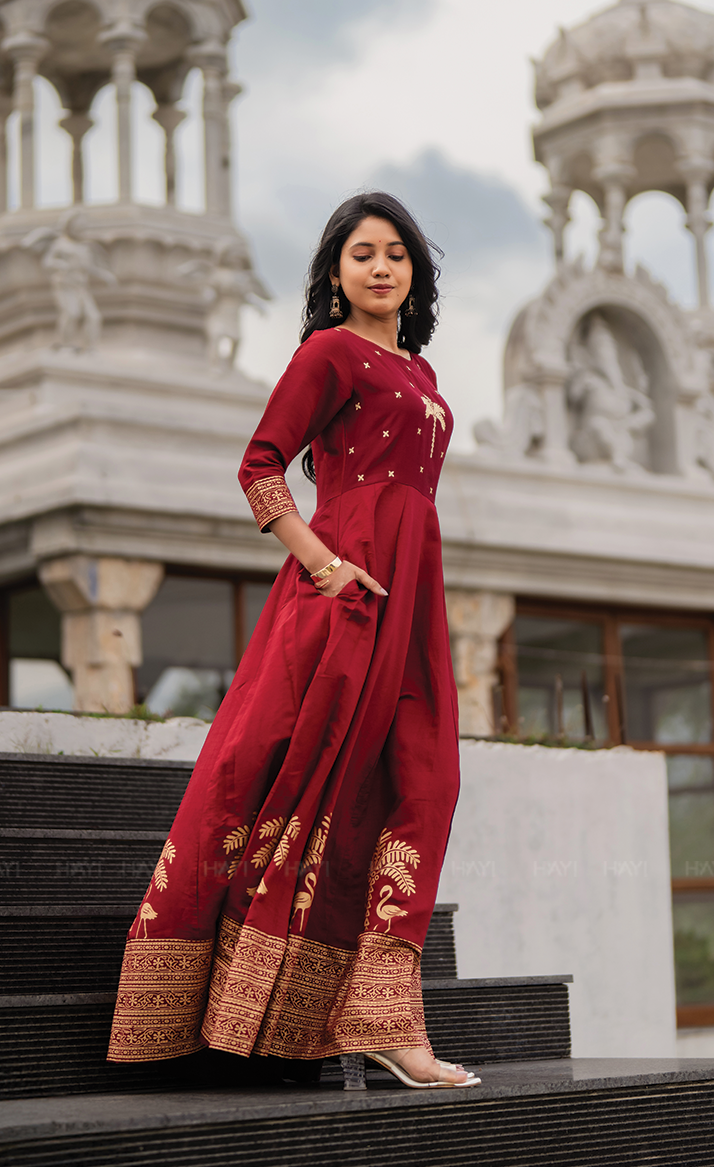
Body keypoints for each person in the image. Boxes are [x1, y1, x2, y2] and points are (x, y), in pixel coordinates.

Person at [108, 193, 477, 1090]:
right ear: (334, 273)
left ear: (416, 275)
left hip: (411, 597)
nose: (381, 267)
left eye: (397, 254)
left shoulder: (421, 375)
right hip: (344, 593)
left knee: (424, 781)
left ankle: (379, 1010)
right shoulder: (328, 354)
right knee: (304, 772)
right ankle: (240, 999)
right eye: (362, 254)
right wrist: (323, 567)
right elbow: (259, 464)